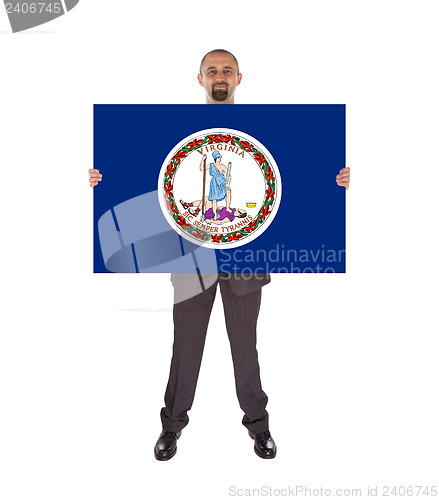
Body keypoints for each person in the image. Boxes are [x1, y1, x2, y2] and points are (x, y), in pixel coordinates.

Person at [88, 49, 351, 461]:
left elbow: (295, 176)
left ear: (239, 78)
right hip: (190, 261)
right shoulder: (173, 132)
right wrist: (106, 178)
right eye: (212, 70)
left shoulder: (267, 131)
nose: (219, 76)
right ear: (200, 80)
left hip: (246, 262)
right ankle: (171, 427)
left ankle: (258, 427)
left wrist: (332, 180)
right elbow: (144, 174)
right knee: (186, 348)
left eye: (227, 70)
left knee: (245, 349)